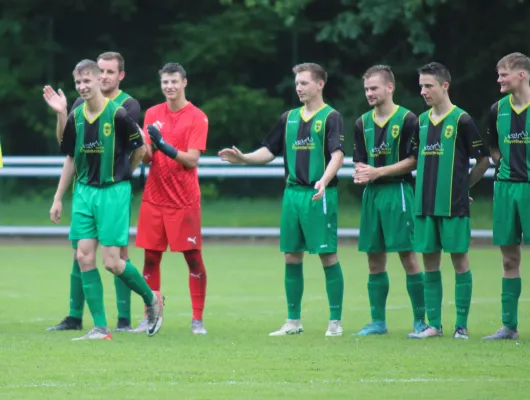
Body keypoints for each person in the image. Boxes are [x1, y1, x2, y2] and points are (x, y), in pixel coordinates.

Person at [219, 63, 345, 336]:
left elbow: (337, 154)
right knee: (291, 256)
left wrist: (323, 179)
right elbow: (269, 150)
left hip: (318, 194)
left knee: (327, 255)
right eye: (297, 83)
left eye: (304, 83)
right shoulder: (289, 118)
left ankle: (335, 322)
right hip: (292, 195)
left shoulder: (331, 117)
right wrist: (244, 159)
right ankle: (293, 322)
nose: (299, 88)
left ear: (320, 84)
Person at [49, 59, 163, 340]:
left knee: (112, 261)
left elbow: (140, 149)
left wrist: (124, 175)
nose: (83, 86)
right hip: (85, 191)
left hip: (113, 192)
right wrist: (62, 113)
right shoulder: (75, 115)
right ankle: (100, 327)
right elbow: (68, 151)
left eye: (87, 80)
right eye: (78, 82)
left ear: (100, 80)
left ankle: (152, 300)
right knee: (84, 255)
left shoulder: (120, 115)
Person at [406, 62, 490, 339]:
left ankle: (461, 327)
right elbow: (413, 159)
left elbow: (483, 160)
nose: (423, 91)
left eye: (428, 85)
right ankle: (434, 326)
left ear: (445, 86)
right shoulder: (419, 121)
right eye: (421, 86)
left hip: (454, 205)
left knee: (459, 261)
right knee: (430, 263)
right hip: (424, 204)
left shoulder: (462, 121)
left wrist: (463, 186)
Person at [133, 63, 209, 335]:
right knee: (151, 259)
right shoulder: (153, 113)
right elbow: (150, 155)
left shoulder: (198, 117)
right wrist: (138, 144)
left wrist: (164, 145)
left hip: (184, 200)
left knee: (192, 258)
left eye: (174, 81)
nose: (169, 87)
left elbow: (191, 159)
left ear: (184, 82)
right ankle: (150, 315)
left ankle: (197, 319)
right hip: (154, 197)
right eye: (165, 82)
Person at [352, 65, 426, 337]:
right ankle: (377, 322)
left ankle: (421, 321)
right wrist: (361, 172)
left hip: (398, 192)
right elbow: (359, 157)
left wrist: (378, 171)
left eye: (374, 88)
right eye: (366, 89)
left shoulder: (408, 119)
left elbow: (414, 160)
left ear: (389, 87)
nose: (369, 93)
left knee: (407, 255)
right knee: (374, 259)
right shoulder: (362, 122)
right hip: (373, 195)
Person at [483, 52, 530, 341]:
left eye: (504, 74)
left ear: (522, 75)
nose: (499, 79)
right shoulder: (496, 110)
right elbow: (494, 149)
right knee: (509, 259)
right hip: (505, 189)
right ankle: (508, 326)